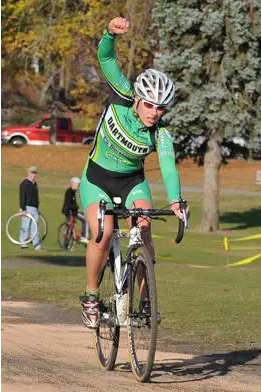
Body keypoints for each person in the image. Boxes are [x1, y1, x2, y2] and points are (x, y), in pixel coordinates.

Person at [79, 17, 188, 329]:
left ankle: (145, 296)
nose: (155, 112)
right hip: (97, 178)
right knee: (102, 231)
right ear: (138, 99)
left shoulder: (161, 134)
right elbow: (106, 58)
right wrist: (109, 34)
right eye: (150, 105)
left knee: (144, 224)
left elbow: (168, 167)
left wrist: (177, 201)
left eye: (161, 108)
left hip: (132, 182)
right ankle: (90, 296)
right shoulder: (123, 96)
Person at [18, 166, 42, 251]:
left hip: (34, 208)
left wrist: (37, 208)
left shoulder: (35, 184)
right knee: (25, 226)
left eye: (35, 173)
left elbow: (36, 197)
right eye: (32, 172)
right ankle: (23, 244)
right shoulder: (24, 183)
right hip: (27, 207)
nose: (34, 174)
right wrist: (23, 208)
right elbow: (22, 196)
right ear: (28, 173)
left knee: (35, 227)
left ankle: (37, 245)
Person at [62, 177, 89, 244]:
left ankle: (67, 245)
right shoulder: (70, 192)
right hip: (70, 212)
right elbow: (68, 204)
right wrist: (77, 208)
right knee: (85, 220)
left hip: (70, 211)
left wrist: (77, 208)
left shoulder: (72, 191)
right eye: (77, 184)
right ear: (73, 184)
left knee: (69, 228)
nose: (78, 186)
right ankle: (84, 237)